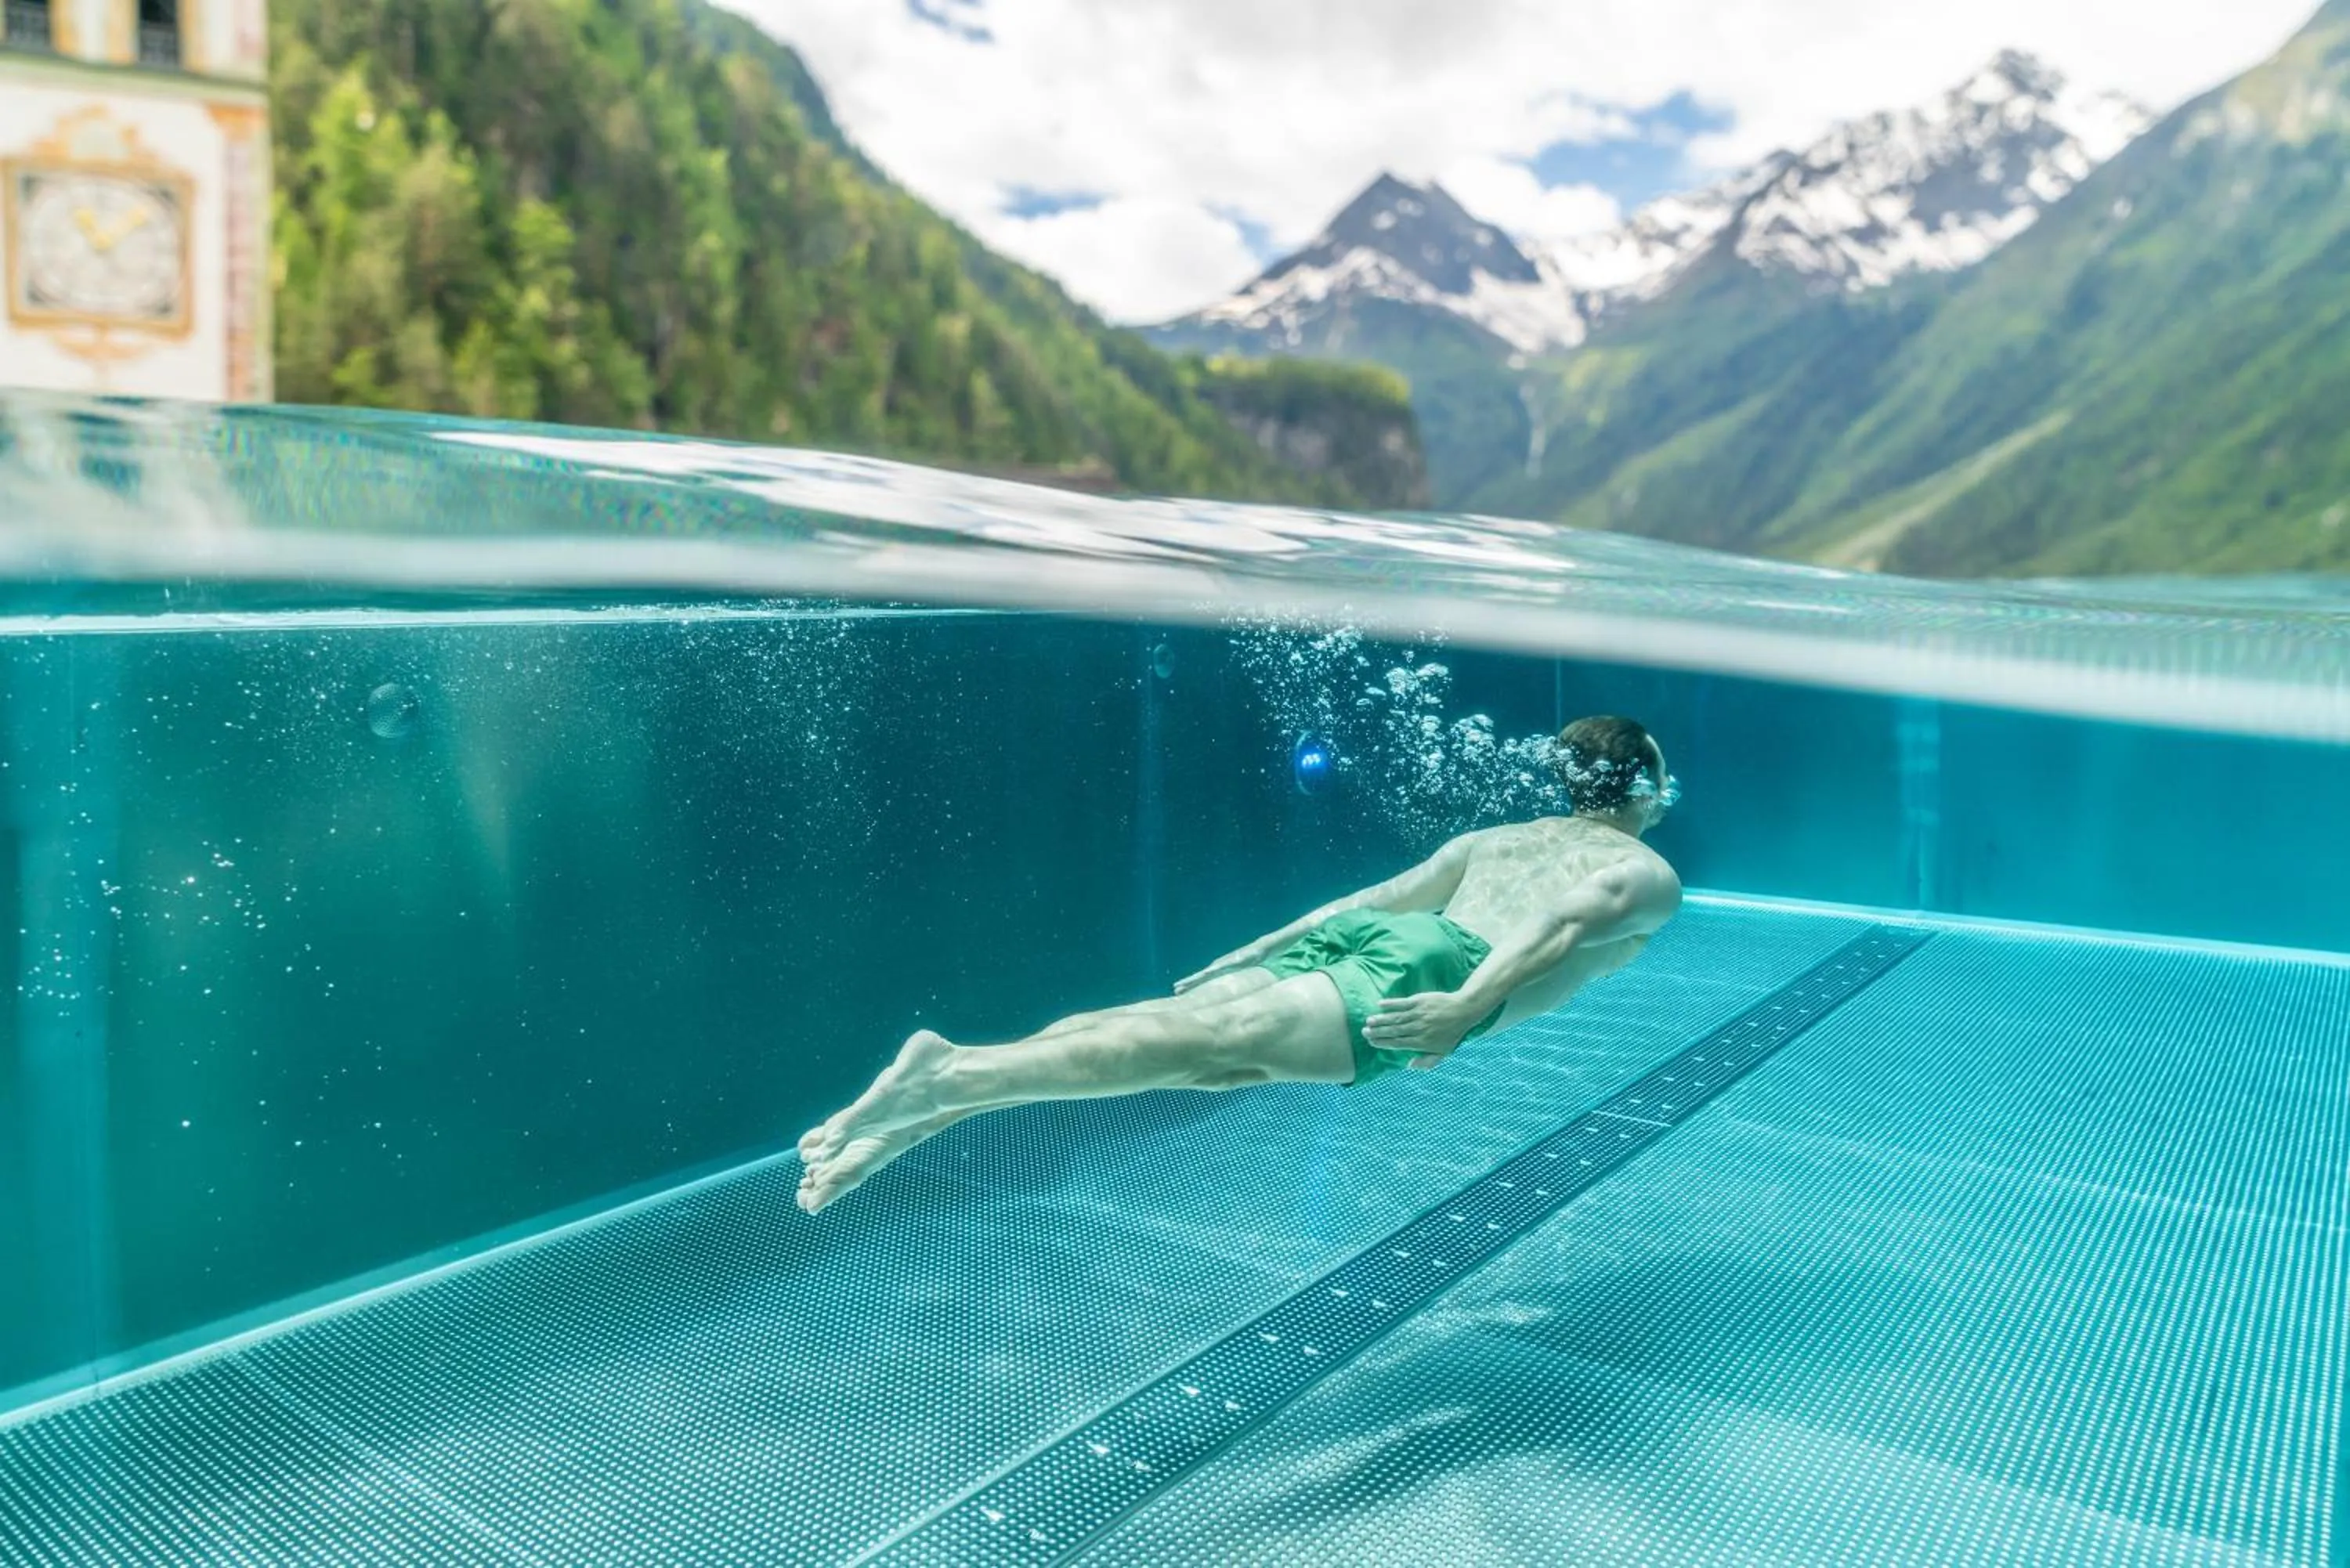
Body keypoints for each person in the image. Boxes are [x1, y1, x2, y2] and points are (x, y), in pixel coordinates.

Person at [796, 714, 1683, 1214]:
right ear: (1644, 788)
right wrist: (1464, 1006)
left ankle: (922, 1113)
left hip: (1377, 942)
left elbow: (1374, 896)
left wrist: (1260, 948)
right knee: (1204, 1051)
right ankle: (948, 1071)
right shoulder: (1647, 872)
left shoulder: (1502, 836)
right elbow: (1559, 930)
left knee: (1189, 1044)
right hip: (1440, 968)